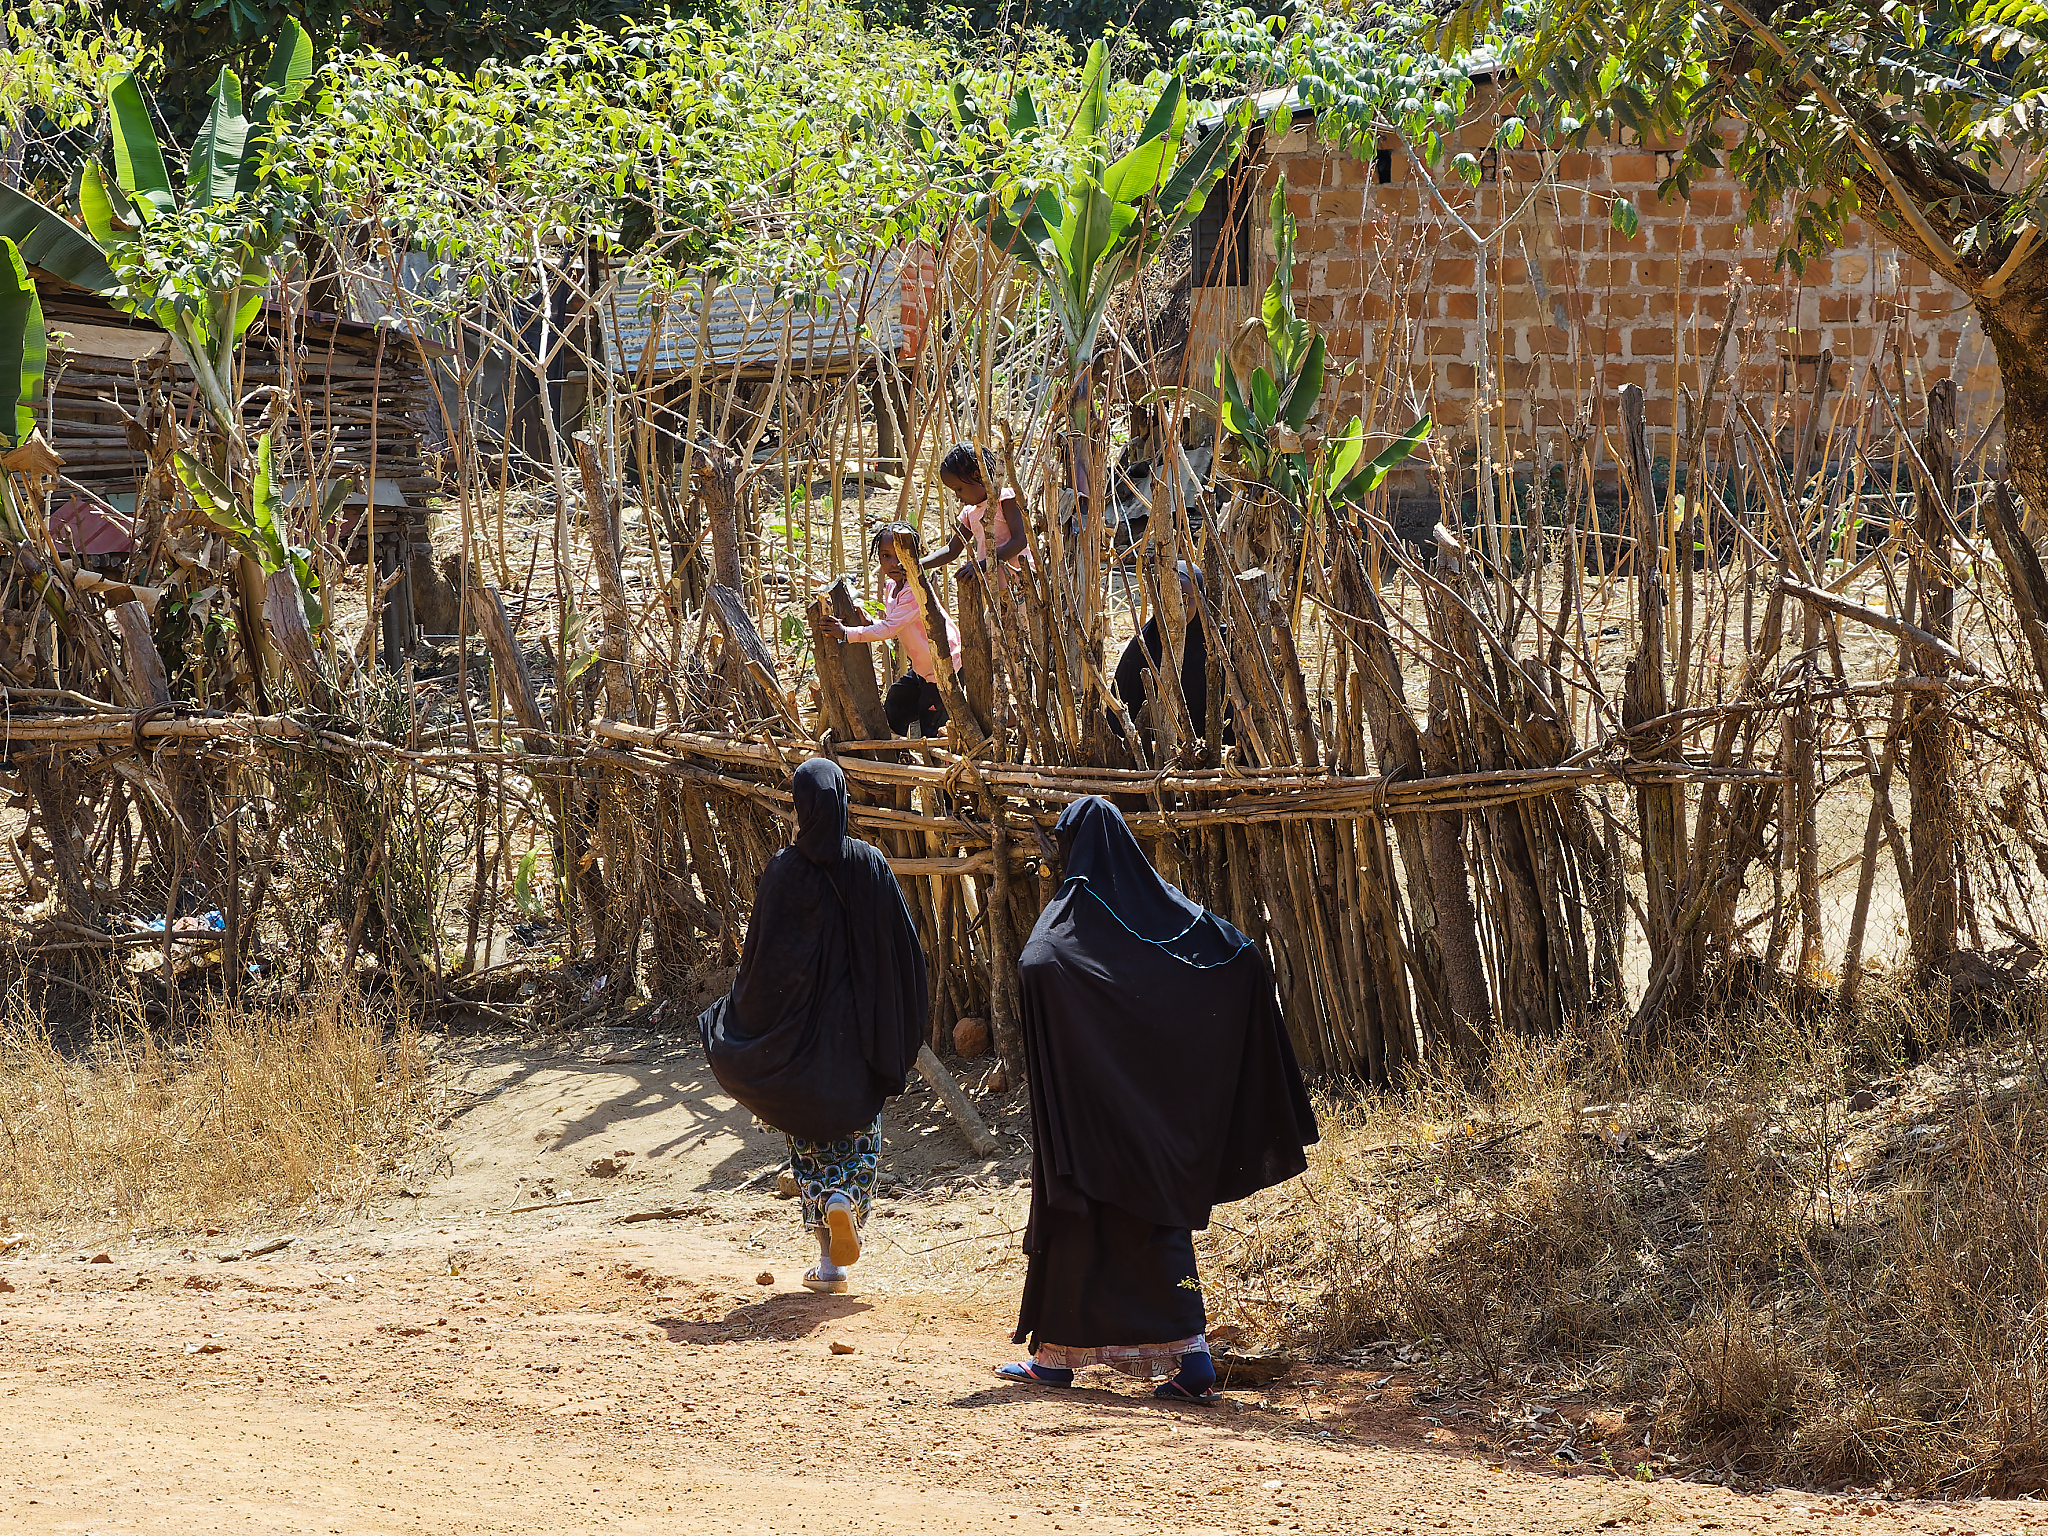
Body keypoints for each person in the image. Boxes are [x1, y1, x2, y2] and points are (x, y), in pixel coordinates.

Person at [997, 797, 1318, 1401]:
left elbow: (1037, 963)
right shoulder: (1167, 912)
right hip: (1160, 1119)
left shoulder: (1073, 912)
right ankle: (1190, 1364)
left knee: (1079, 1226)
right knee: (1159, 1230)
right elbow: (1239, 955)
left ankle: (1059, 1361)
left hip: (1092, 1113)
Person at [698, 758, 928, 1294]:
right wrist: (895, 1020)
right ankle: (846, 1203)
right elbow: (904, 951)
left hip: (799, 1043)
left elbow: (761, 966)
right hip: (858, 1038)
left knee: (808, 1144)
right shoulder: (869, 864)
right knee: (859, 1136)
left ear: (802, 807)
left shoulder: (783, 873)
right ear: (843, 802)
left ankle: (828, 1254)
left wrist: (741, 1024)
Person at [821, 523, 964, 739]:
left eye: (900, 555)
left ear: (916, 555)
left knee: (933, 726)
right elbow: (897, 625)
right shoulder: (892, 588)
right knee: (896, 703)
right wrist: (870, 623)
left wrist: (846, 633)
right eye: (886, 556)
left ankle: (936, 758)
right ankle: (896, 749)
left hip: (943, 668)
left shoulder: (914, 590)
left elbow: (890, 629)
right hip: (923, 670)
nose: (894, 563)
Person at [1110, 561, 1228, 746]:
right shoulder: (1144, 646)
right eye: (1167, 597)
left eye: (1185, 597)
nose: (1176, 606)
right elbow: (1119, 716)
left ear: (1200, 599)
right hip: (1158, 753)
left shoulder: (1221, 643)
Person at [927, 444, 1033, 584]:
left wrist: (983, 565)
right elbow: (952, 550)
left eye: (959, 489)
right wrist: (917, 564)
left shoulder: (1006, 500)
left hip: (1020, 583)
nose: (957, 495)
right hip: (995, 587)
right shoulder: (969, 513)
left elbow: (1019, 541)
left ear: (977, 475)